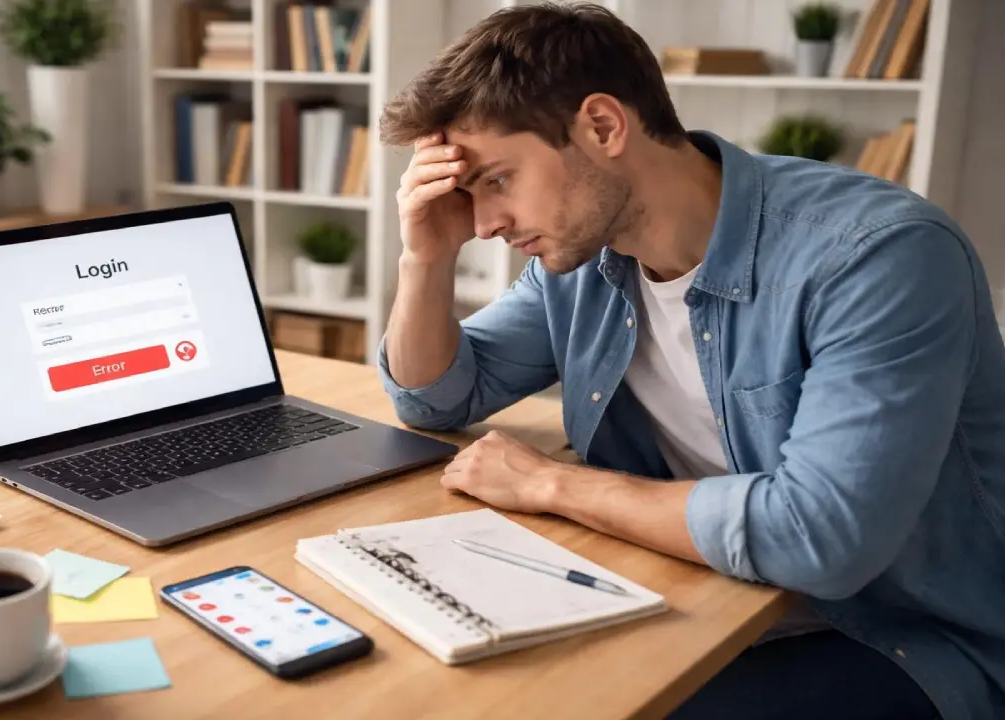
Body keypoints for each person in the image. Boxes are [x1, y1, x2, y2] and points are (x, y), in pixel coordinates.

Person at [375, 3, 1005, 719]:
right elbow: (434, 399)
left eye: (496, 180)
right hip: (701, 589)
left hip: (897, 635)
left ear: (604, 127)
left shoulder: (874, 257)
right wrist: (425, 256)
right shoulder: (581, 265)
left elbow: (821, 539)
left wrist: (555, 485)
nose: (485, 223)